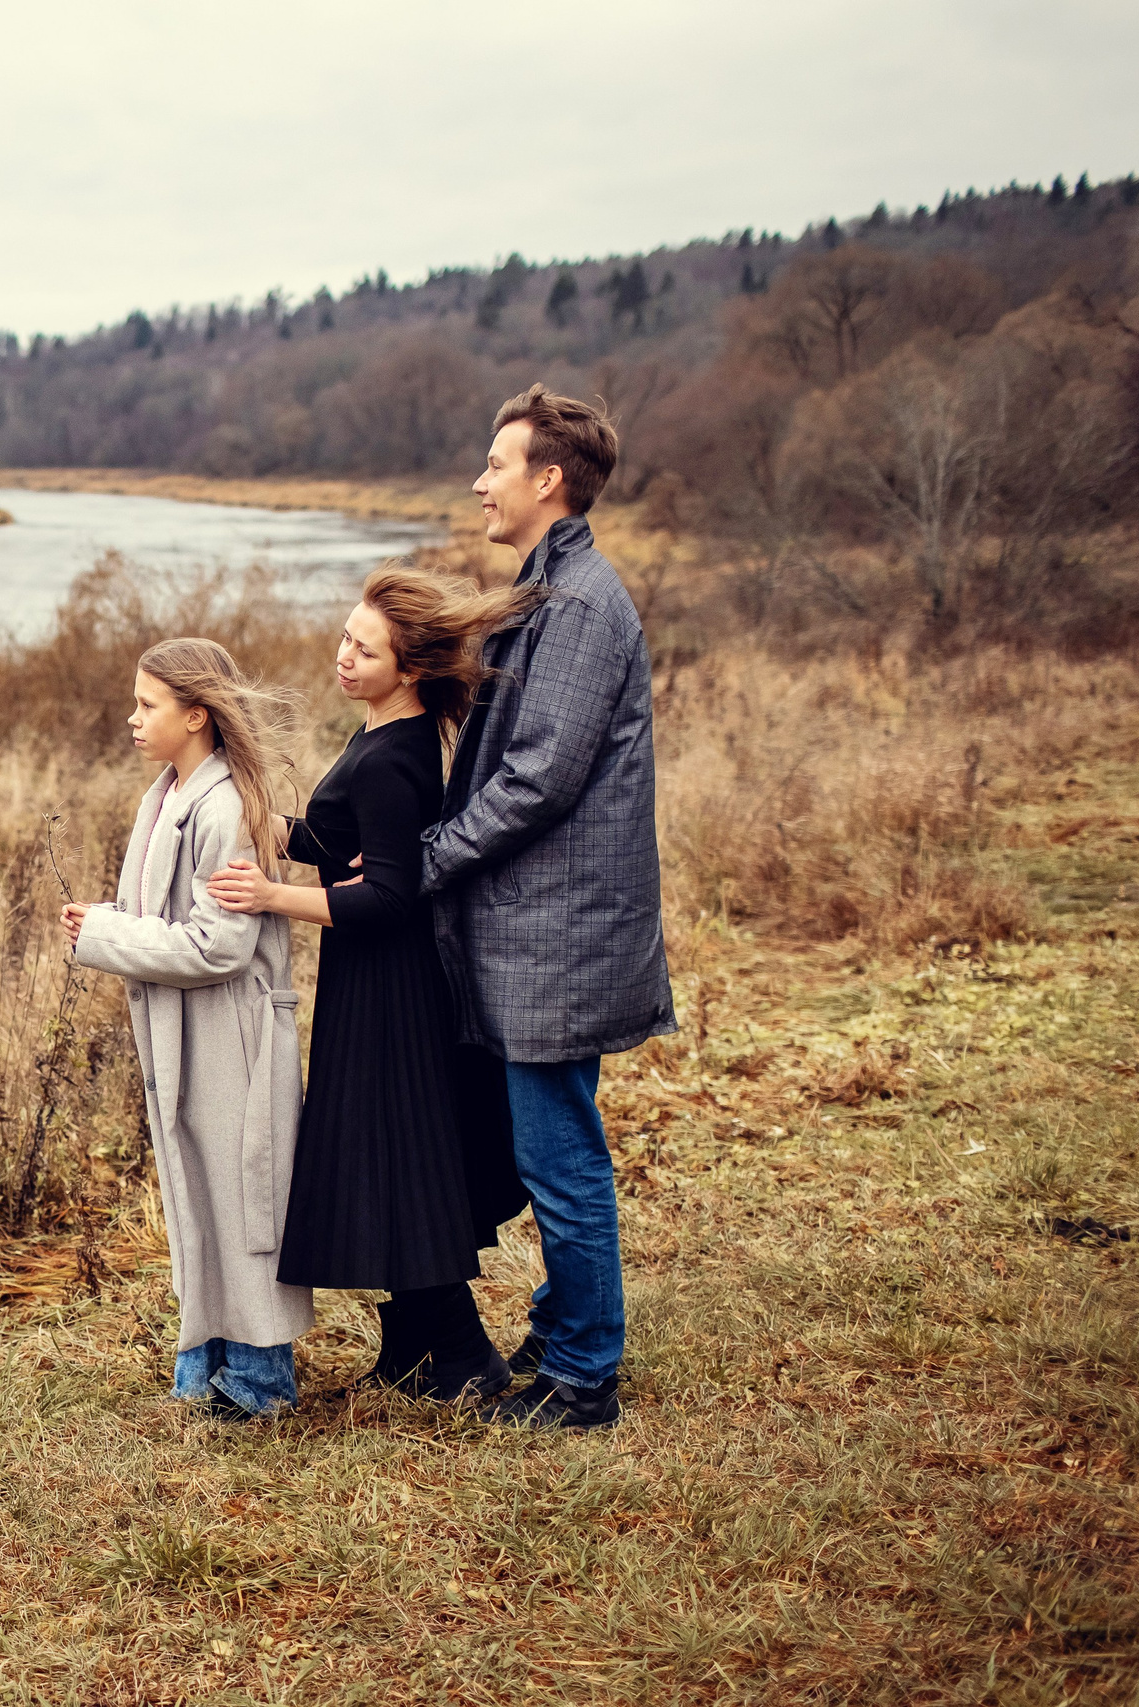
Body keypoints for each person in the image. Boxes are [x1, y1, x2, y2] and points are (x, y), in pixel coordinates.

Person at [204, 565, 534, 1407]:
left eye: (365, 649)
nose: (343, 655)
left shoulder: (394, 756)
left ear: (411, 668)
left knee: (396, 1158)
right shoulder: (382, 733)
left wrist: (271, 895)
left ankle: (464, 1359)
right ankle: (413, 1351)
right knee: (382, 1158)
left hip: (393, 987)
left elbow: (388, 896)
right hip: (372, 978)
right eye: (346, 637)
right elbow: (336, 840)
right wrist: (253, 816)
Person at [424, 385, 676, 1432]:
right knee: (549, 1150)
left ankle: (582, 1378)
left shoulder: (575, 604)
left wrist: (432, 856)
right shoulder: (548, 588)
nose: (480, 482)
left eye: (497, 465)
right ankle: (565, 1328)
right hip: (546, 928)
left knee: (561, 1159)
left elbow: (540, 777)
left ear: (549, 479)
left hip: (559, 936)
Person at [64, 638, 315, 1418]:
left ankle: (260, 1382)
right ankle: (203, 1366)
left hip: (232, 1035)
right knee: (198, 1191)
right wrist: (106, 921)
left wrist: (104, 934)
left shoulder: (225, 807)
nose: (133, 718)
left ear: (198, 714)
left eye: (149, 705)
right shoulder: (167, 794)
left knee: (243, 1199)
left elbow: (218, 945)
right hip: (188, 1028)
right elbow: (162, 917)